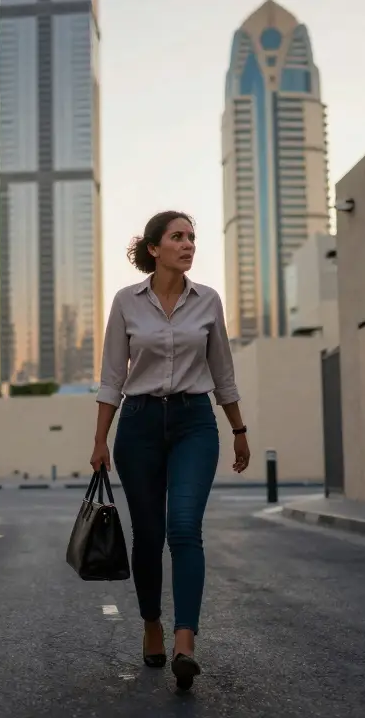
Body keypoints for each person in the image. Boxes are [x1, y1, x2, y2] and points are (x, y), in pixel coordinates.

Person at [89, 210, 250, 692]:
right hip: (137, 426)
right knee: (148, 535)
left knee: (184, 527)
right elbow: (113, 375)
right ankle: (152, 624)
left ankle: (185, 643)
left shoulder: (209, 302)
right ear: (155, 249)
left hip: (193, 423)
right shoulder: (125, 302)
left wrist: (239, 429)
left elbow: (222, 371)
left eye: (192, 238)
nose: (188, 244)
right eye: (178, 237)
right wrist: (100, 439)